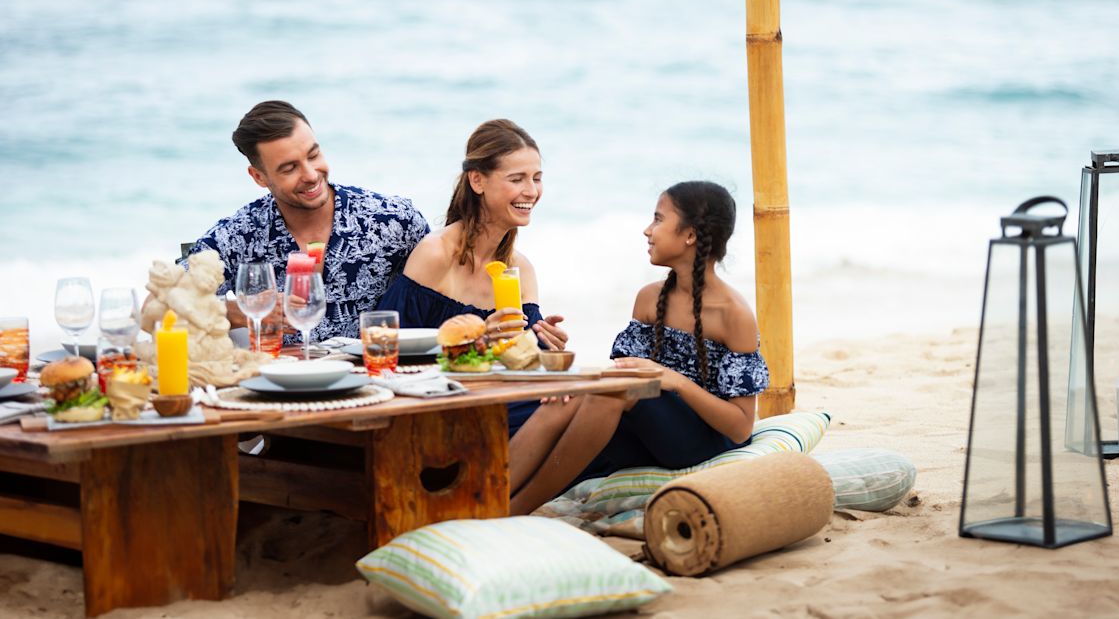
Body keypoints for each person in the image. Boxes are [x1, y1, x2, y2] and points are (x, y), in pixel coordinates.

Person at [374, 119, 626, 511]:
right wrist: (475, 342)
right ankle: (496, 505)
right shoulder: (437, 254)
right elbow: (386, 353)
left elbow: (527, 366)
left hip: (504, 400)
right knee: (579, 405)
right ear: (478, 181)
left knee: (600, 399)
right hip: (443, 407)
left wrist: (547, 351)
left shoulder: (519, 268)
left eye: (537, 178)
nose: (532, 191)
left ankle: (511, 505)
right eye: (518, 178)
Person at [507, 180, 768, 515]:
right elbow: (623, 376)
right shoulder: (649, 298)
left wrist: (673, 380)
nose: (648, 230)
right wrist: (570, 381)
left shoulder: (734, 315)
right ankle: (490, 494)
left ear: (690, 235)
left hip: (702, 440)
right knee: (566, 399)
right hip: (649, 430)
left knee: (619, 391)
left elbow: (740, 426)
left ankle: (515, 509)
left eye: (658, 219)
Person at [185, 101, 429, 343]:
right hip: (277, 379)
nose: (311, 175)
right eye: (290, 168)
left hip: (378, 375)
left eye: (314, 155)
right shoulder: (237, 236)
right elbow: (160, 308)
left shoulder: (394, 220)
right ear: (259, 177)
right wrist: (238, 311)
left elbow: (454, 281)